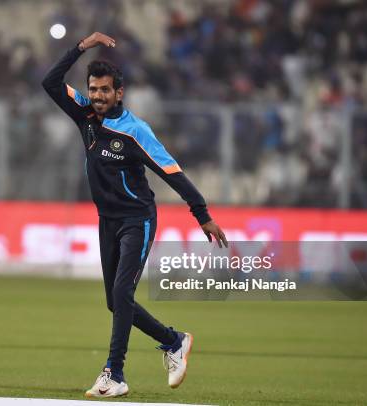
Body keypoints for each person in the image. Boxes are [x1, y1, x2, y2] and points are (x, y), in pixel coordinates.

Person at [42, 32, 228, 398]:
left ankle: (114, 372)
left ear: (119, 93)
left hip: (137, 220)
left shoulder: (136, 131)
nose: (97, 96)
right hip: (107, 221)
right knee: (115, 301)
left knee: (122, 292)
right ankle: (174, 341)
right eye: (93, 89)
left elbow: (172, 173)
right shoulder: (85, 116)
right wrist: (82, 47)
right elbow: (49, 82)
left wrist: (201, 213)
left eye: (105, 90)